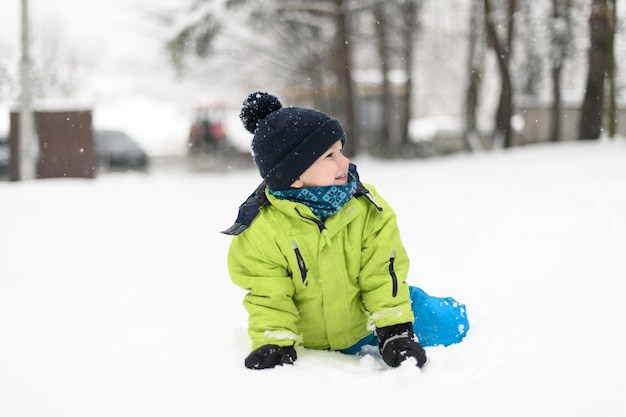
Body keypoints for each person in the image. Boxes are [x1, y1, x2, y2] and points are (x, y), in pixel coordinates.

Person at [223, 91, 468, 370]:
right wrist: (275, 341)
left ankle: (433, 309)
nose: (344, 163)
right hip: (312, 335)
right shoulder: (262, 228)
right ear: (294, 176)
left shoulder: (365, 207)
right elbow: (268, 294)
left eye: (341, 151)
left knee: (451, 327)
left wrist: (394, 331)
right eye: (330, 156)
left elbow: (382, 272)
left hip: (366, 323)